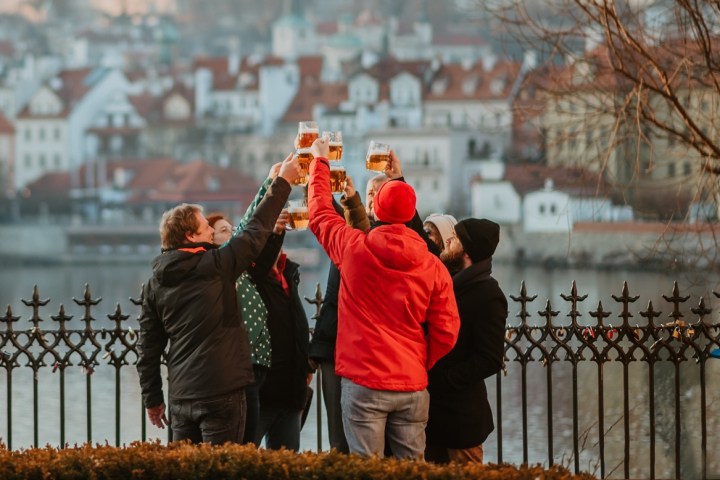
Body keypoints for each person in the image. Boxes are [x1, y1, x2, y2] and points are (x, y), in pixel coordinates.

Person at [307, 137, 460, 459]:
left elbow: (320, 214)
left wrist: (319, 164)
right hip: (411, 382)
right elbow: (447, 328)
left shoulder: (355, 249)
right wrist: (420, 360)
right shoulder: (432, 264)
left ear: (375, 208)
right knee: (411, 468)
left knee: (366, 467)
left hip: (364, 379)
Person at [136, 155, 299, 445]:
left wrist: (153, 399)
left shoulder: (154, 284)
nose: (213, 231)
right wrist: (282, 182)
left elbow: (148, 347)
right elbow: (253, 233)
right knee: (224, 468)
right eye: (205, 227)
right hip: (222, 392)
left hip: (181, 397)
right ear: (189, 236)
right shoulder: (214, 265)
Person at [205, 162, 283, 444]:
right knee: (242, 442)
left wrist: (277, 232)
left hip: (255, 367)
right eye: (226, 230)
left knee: (249, 441)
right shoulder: (219, 263)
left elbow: (257, 243)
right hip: (239, 368)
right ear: (210, 239)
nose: (233, 232)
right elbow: (250, 224)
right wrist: (270, 184)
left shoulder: (238, 268)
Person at [425, 218, 508, 464]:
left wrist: (444, 379)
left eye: (456, 238)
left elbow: (490, 359)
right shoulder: (447, 282)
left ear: (468, 252)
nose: (448, 240)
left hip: (461, 421)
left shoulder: (489, 295)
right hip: (432, 419)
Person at [308, 175, 367, 454]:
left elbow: (325, 218)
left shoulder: (375, 241)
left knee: (359, 439)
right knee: (340, 440)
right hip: (333, 345)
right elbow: (331, 218)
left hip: (361, 351)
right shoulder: (349, 238)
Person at [249, 211, 312, 451]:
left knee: (286, 464)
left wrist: (306, 365)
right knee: (242, 458)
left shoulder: (288, 272)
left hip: (291, 390)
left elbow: (295, 325)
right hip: (263, 391)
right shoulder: (251, 275)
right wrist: (274, 233)